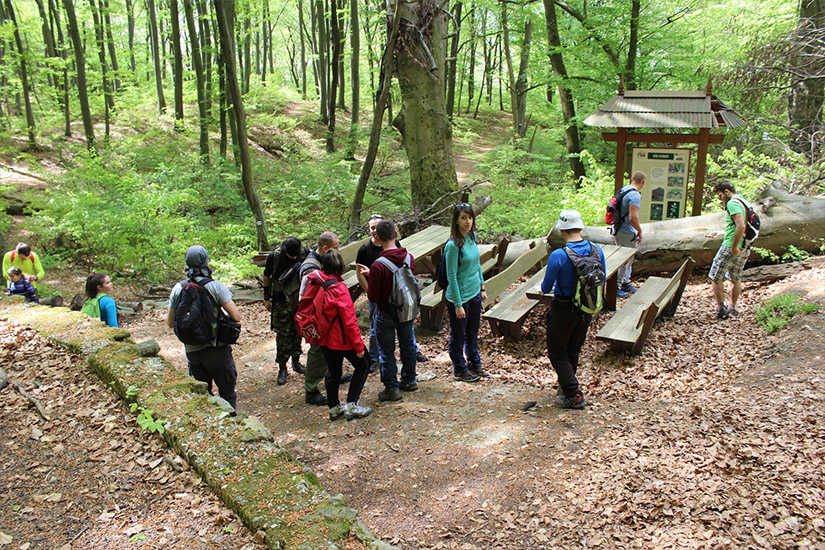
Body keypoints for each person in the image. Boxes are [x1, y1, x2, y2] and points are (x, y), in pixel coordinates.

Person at [540, 210, 605, 410]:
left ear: (561, 229)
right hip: (587, 308)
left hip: (563, 309)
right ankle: (565, 387)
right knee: (572, 349)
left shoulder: (559, 255)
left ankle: (573, 394)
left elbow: (545, 287)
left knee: (557, 352)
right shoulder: (597, 250)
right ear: (580, 227)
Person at [168, 245, 241, 409]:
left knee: (204, 397)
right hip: (217, 349)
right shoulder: (215, 286)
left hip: (193, 352)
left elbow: (170, 322)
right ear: (206, 262)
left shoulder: (178, 288)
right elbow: (236, 316)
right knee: (227, 393)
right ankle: (231, 427)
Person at [355, 213, 428, 373]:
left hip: (392, 301)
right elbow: (360, 274)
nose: (374, 231)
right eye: (372, 228)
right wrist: (370, 288)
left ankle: (393, 382)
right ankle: (382, 363)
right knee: (395, 335)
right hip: (390, 301)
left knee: (393, 341)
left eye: (377, 227)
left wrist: (373, 277)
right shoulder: (366, 250)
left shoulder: (387, 253)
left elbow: (395, 273)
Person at [310, 249, 373, 421]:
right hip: (341, 340)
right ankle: (352, 404)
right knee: (363, 364)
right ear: (342, 267)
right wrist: (359, 346)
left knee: (333, 371)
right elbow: (350, 322)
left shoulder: (315, 283)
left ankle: (333, 408)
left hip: (323, 338)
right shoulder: (339, 289)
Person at [363, 220, 417, 401]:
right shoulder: (409, 258)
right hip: (406, 311)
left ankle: (391, 388)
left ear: (377, 237)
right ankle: (409, 380)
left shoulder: (378, 265)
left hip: (386, 313)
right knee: (407, 346)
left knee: (386, 350)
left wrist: (372, 276)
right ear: (396, 235)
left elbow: (373, 296)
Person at [299, 231, 350, 406]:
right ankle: (311, 389)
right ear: (325, 248)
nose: (339, 251)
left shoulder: (320, 261)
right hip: (316, 320)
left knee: (329, 350)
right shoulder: (311, 268)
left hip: (323, 319)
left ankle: (332, 374)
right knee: (317, 353)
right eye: (336, 248)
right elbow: (308, 297)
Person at [443, 203, 488, 383]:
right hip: (459, 297)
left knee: (472, 332)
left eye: (469, 217)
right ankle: (460, 368)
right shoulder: (453, 246)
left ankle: (475, 364)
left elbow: (477, 264)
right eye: (463, 218)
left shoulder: (472, 236)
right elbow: (451, 276)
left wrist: (482, 287)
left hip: (474, 292)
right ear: (456, 221)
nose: (467, 221)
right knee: (459, 334)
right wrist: (458, 304)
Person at [263, 237, 308, 385]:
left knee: (297, 331)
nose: (294, 257)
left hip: (298, 300)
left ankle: (296, 362)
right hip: (280, 300)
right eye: (291, 255)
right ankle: (282, 368)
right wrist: (266, 298)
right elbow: (267, 276)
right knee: (283, 335)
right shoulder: (274, 257)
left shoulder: (304, 253)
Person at [708, 180, 752, 319]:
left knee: (715, 276)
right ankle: (732, 308)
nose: (721, 199)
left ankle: (721, 308)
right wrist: (719, 233)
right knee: (735, 277)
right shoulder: (743, 202)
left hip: (731, 246)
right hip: (745, 246)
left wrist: (733, 247)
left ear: (727, 192)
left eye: (721, 195)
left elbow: (741, 226)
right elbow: (736, 227)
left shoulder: (732, 203)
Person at [612, 171, 645, 298]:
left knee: (628, 258)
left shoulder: (624, 190)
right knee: (625, 260)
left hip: (618, 227)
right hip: (626, 231)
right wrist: (639, 230)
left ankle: (625, 282)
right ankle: (616, 287)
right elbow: (633, 217)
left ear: (632, 179)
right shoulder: (634, 195)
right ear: (643, 182)